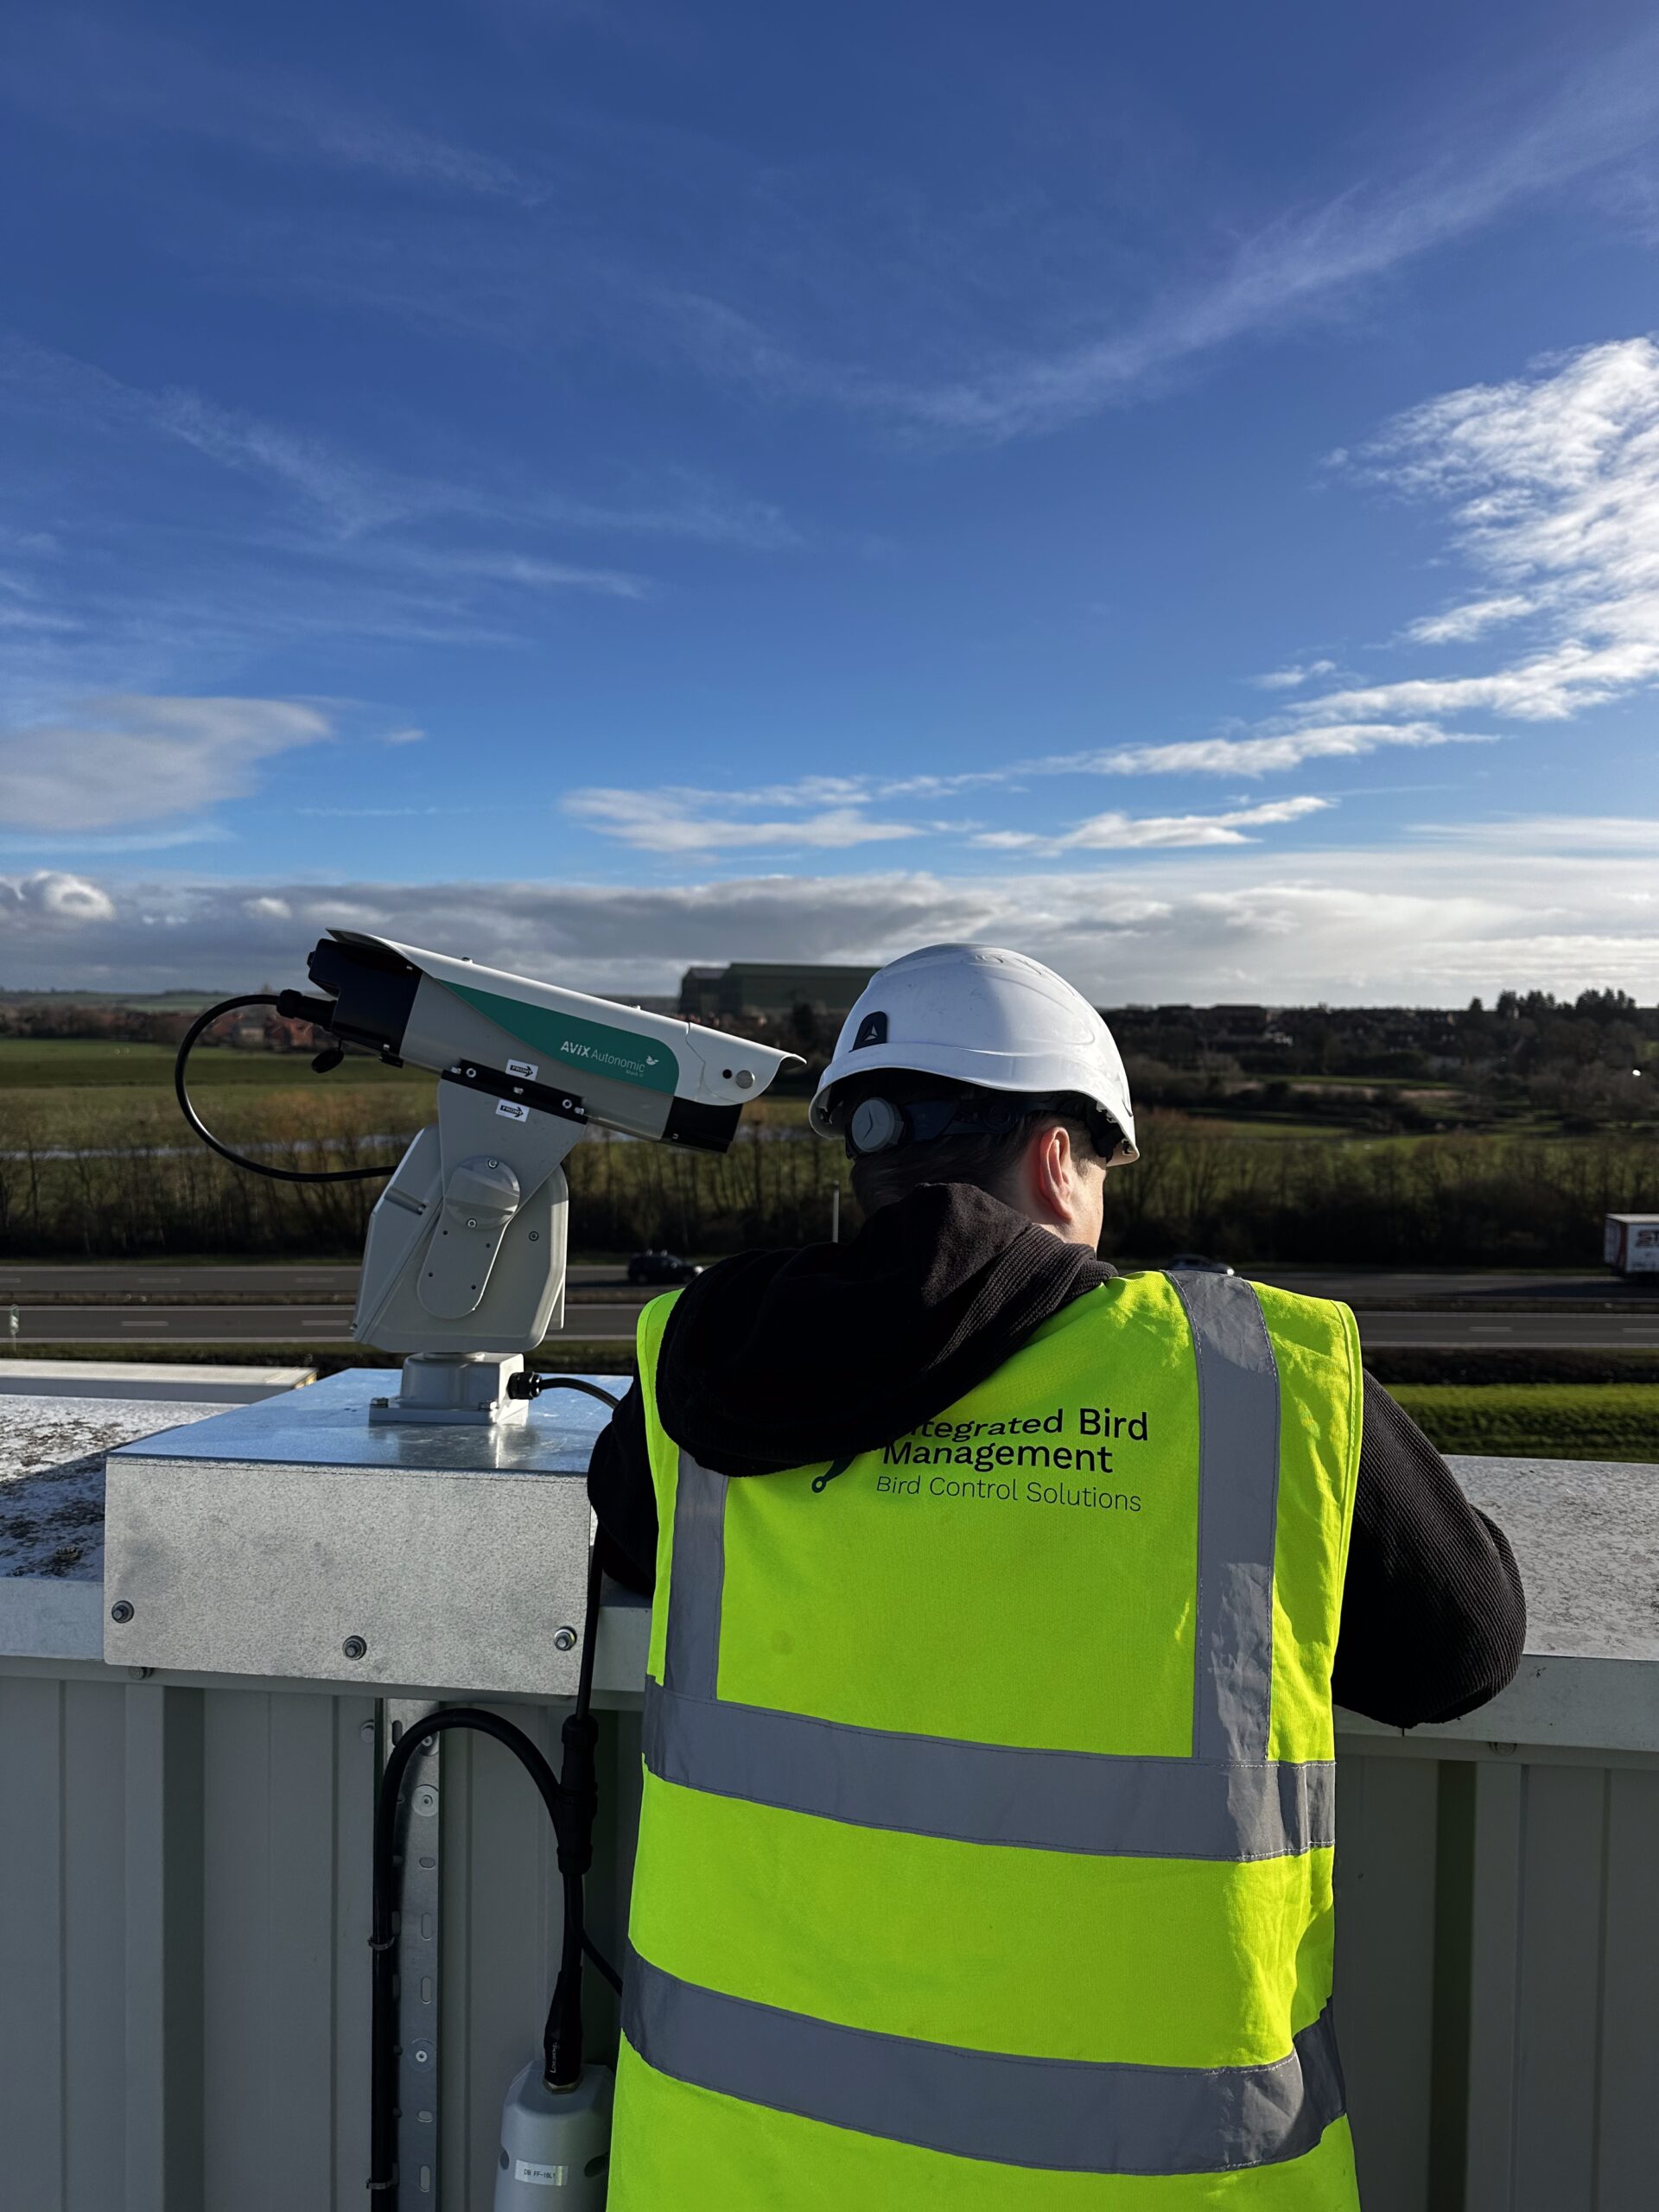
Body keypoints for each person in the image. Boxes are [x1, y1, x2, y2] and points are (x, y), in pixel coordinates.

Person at [590, 942, 1524, 2210]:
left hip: (734, 2170)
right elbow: (1460, 1652)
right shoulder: (1254, 1374)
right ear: (1052, 1159)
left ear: (867, 1160)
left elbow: (639, 1541)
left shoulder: (698, 1366)